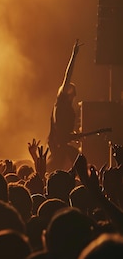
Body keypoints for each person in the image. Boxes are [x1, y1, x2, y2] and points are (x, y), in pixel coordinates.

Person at [47, 39, 82, 171]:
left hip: (61, 145)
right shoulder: (61, 102)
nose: (73, 97)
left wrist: (74, 135)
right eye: (71, 93)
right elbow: (67, 76)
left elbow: (65, 131)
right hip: (59, 146)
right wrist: (74, 55)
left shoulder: (66, 108)